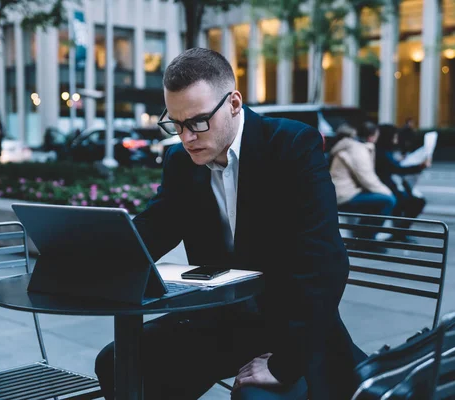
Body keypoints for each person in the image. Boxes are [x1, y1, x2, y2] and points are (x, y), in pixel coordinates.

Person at [94, 48, 366, 400]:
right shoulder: (181, 160)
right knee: (117, 361)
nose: (186, 137)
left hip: (292, 325)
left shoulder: (292, 145)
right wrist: (91, 250)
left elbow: (326, 264)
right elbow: (156, 227)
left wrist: (286, 363)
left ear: (234, 103)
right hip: (222, 322)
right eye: (175, 124)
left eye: (197, 122)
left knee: (254, 395)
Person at [329, 121, 396, 221]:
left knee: (378, 198)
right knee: (389, 200)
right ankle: (366, 235)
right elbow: (366, 178)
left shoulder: (353, 146)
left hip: (342, 192)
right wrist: (387, 192)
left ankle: (363, 232)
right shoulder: (357, 149)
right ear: (371, 137)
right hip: (343, 196)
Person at [375, 124, 430, 241]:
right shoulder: (382, 152)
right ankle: (399, 233)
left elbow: (394, 166)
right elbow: (397, 169)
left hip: (390, 186)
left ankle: (400, 232)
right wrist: (419, 167)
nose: (396, 139)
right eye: (394, 136)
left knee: (412, 202)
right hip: (387, 187)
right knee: (416, 202)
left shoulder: (384, 150)